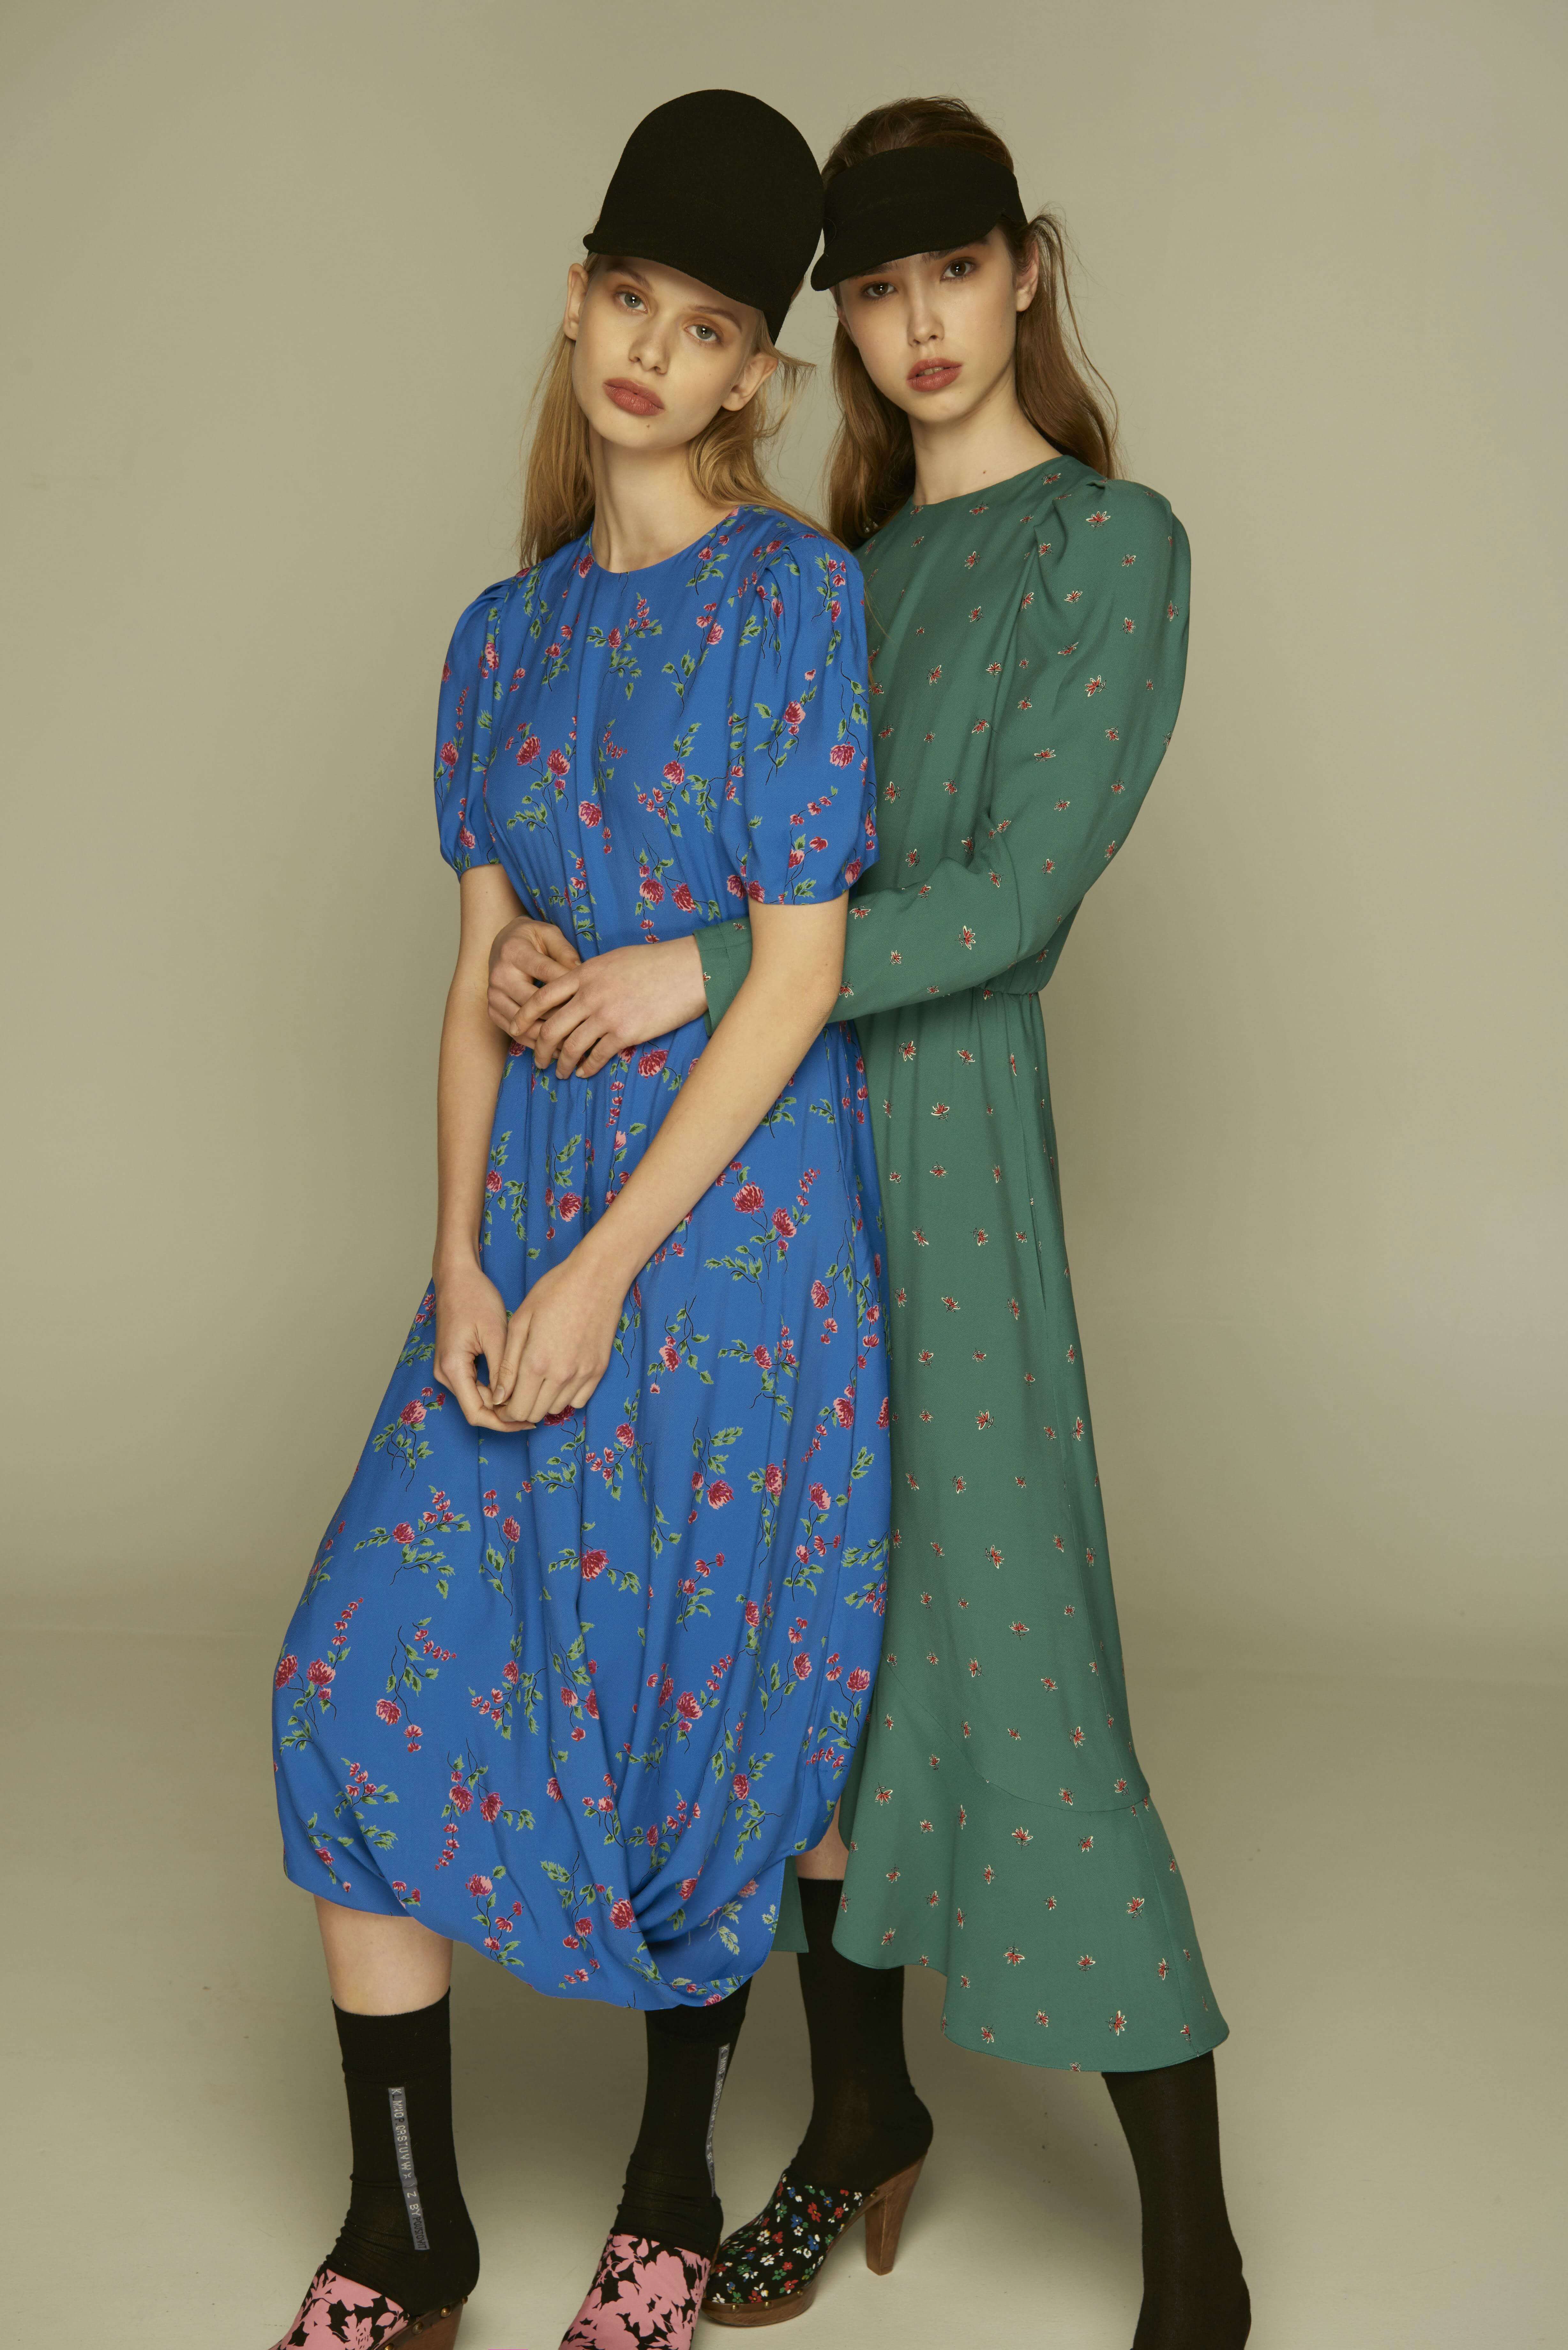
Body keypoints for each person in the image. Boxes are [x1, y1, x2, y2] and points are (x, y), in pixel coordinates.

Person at [488, 95, 1250, 2350]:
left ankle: (1195, 2249)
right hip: (759, 1162)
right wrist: (553, 963)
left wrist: (706, 966)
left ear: (1029, 271)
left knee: (1017, 1659)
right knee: (807, 1658)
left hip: (946, 1155)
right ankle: (857, 2112)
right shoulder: (828, 571)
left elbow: (1008, 905)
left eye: (956, 273)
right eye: (878, 290)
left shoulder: (1108, 547)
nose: (920, 325)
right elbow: (664, 840)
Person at [268, 89, 891, 2350]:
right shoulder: (503, 634)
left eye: (707, 329)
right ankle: (405, 2228)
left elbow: (796, 973)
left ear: (754, 379)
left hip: (726, 1242)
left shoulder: (796, 601)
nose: (653, 352)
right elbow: (477, 978)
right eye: (630, 300)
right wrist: (460, 1257)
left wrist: (606, 1269)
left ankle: (665, 2195)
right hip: (521, 1214)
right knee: (346, 1679)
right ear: (577, 299)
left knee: (692, 1728)